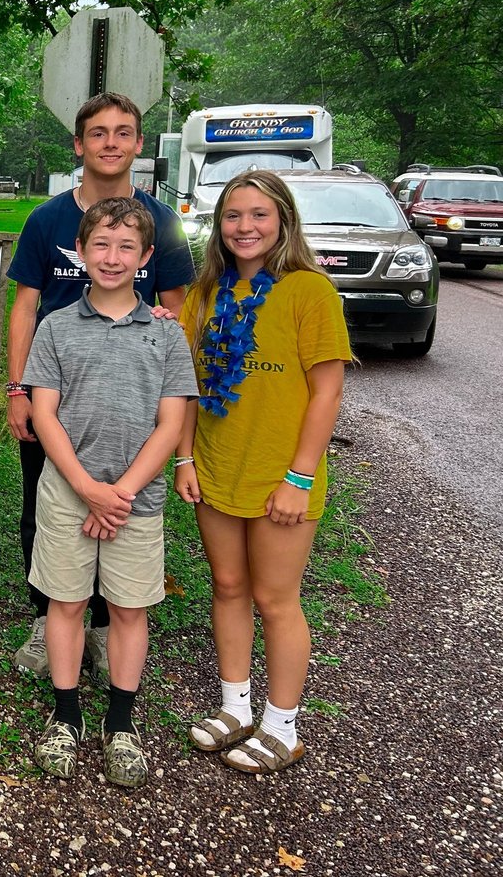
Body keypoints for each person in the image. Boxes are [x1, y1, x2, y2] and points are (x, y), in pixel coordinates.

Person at [5, 93, 194, 680]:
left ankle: (110, 624)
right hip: (55, 396)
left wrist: (163, 324)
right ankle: (51, 617)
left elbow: (176, 310)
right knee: (45, 506)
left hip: (131, 400)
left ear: (139, 144)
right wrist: (17, 388)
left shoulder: (163, 223)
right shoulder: (47, 219)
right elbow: (26, 306)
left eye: (123, 132)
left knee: (124, 507)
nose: (110, 143)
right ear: (78, 144)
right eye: (98, 132)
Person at [174, 170, 349, 775]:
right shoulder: (205, 294)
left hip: (282, 476)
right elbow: (186, 385)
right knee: (227, 586)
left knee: (275, 599)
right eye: (232, 215)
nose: (244, 227)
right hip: (216, 467)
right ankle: (235, 708)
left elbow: (327, 392)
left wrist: (299, 478)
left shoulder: (309, 291)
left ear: (283, 222)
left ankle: (281, 727)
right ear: (218, 225)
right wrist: (185, 457)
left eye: (258, 215)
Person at [23, 197, 197, 787]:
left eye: (127, 247)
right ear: (80, 252)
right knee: (66, 603)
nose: (113, 257)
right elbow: (45, 414)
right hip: (67, 493)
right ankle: (66, 715)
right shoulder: (55, 327)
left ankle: (120, 723)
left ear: (146, 258)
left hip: (135, 502)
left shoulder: (167, 335)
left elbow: (170, 423)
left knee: (127, 608)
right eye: (100, 244)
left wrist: (117, 492)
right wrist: (85, 487)